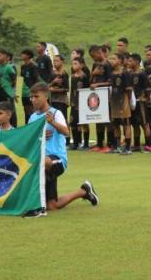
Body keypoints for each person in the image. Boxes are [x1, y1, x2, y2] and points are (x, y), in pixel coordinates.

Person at [24, 82, 99, 217]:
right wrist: (38, 135)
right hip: (42, 163)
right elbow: (29, 140)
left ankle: (33, 204)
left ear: (46, 96)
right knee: (52, 205)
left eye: (36, 96)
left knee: (42, 161)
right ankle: (84, 191)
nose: (33, 100)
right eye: (31, 97)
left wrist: (52, 122)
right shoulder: (32, 117)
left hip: (56, 159)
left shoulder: (56, 113)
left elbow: (66, 132)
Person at [89, 45, 113, 153]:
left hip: (106, 96)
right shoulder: (95, 64)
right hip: (97, 96)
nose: (93, 59)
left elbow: (111, 82)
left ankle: (110, 144)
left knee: (108, 120)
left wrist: (98, 84)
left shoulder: (108, 65)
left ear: (99, 52)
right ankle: (99, 143)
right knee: (98, 119)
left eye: (94, 56)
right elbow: (90, 81)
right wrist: (93, 74)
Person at [108, 53, 133, 154]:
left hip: (123, 100)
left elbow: (129, 89)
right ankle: (117, 146)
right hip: (114, 101)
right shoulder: (112, 73)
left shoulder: (125, 72)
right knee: (115, 124)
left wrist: (129, 100)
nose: (111, 61)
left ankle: (127, 147)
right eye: (111, 59)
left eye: (114, 59)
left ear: (120, 60)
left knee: (126, 124)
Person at [127, 53, 151, 152]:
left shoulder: (142, 73)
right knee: (135, 124)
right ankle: (136, 145)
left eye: (130, 61)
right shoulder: (129, 73)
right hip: (132, 102)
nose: (129, 63)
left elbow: (148, 87)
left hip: (140, 103)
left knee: (144, 123)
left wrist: (146, 98)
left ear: (137, 62)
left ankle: (149, 145)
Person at [68, 56, 90, 150]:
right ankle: (76, 143)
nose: (73, 66)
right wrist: (71, 101)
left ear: (81, 65)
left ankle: (85, 143)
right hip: (74, 103)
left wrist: (84, 104)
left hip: (83, 103)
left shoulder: (84, 77)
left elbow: (87, 91)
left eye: (76, 64)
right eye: (73, 64)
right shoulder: (73, 77)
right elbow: (72, 90)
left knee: (83, 123)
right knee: (73, 122)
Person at [0, 50, 17, 127]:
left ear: (6, 57)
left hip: (8, 93)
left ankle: (13, 128)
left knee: (10, 111)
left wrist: (12, 92)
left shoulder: (9, 67)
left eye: (0, 55)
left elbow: (14, 80)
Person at [49, 55, 70, 138]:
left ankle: (67, 137)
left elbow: (67, 89)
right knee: (53, 118)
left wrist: (55, 90)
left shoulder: (64, 74)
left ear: (62, 62)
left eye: (57, 61)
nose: (55, 63)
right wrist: (53, 82)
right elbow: (47, 86)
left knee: (63, 118)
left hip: (62, 100)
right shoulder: (52, 74)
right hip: (53, 100)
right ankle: (57, 136)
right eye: (54, 61)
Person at [20, 49, 41, 123]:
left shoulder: (33, 66)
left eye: (23, 54)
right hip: (24, 92)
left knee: (32, 111)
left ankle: (33, 126)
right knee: (26, 111)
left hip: (31, 91)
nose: (21, 55)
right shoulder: (22, 66)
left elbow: (36, 79)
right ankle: (27, 127)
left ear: (28, 56)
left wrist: (34, 91)